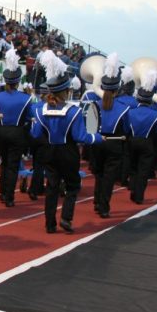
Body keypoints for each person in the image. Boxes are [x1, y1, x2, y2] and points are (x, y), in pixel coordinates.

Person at [29, 50, 102, 233]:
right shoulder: (74, 111)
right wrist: (98, 137)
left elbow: (36, 134)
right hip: (68, 153)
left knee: (52, 187)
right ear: (65, 91)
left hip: (49, 152)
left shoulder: (39, 111)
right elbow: (80, 138)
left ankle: (49, 224)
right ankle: (66, 218)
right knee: (72, 185)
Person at [0, 48, 32, 208]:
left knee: (4, 163)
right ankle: (9, 197)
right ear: (18, 81)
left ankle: (2, 193)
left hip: (0, 133)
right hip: (17, 133)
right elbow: (29, 117)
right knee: (13, 166)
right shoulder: (25, 98)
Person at [91, 54, 130, 218]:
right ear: (117, 89)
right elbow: (126, 129)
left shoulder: (94, 105)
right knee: (108, 176)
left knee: (99, 174)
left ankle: (97, 201)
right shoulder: (124, 108)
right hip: (115, 143)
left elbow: (90, 128)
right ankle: (104, 206)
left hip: (98, 142)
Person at [127, 70, 157, 204]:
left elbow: (126, 128)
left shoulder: (130, 112)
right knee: (143, 170)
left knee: (133, 167)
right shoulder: (156, 114)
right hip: (147, 142)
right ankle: (138, 195)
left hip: (132, 141)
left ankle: (132, 188)